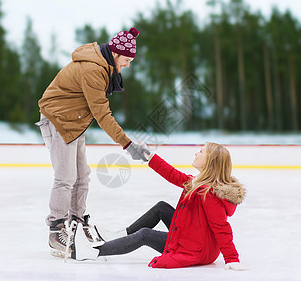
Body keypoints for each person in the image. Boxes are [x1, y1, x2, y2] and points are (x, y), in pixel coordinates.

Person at [36, 27, 149, 256]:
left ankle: (75, 222)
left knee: (82, 175)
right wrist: (128, 145)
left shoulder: (103, 66)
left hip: (74, 120)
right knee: (66, 176)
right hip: (58, 118)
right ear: (116, 54)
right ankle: (56, 232)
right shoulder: (93, 71)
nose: (128, 65)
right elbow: (102, 115)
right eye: (126, 60)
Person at [71, 142, 248, 270]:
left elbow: (221, 227)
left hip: (196, 249)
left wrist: (232, 258)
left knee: (145, 235)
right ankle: (120, 235)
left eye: (201, 151)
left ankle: (92, 252)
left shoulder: (209, 194)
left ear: (210, 162)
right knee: (161, 207)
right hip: (195, 238)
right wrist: (149, 156)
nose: (196, 153)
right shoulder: (197, 183)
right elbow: (172, 174)